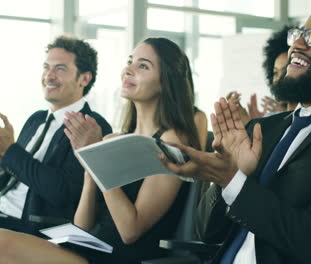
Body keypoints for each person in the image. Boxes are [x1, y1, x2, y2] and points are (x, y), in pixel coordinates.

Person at [162, 5, 311, 263]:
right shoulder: (264, 129)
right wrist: (227, 175)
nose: (297, 44)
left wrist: (233, 182)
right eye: (298, 34)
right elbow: (206, 232)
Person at [0, 37, 200, 263]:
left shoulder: (170, 140)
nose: (128, 70)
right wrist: (90, 162)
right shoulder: (114, 138)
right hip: (89, 245)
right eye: (130, 61)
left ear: (166, 81)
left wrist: (99, 160)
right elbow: (82, 225)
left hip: (121, 256)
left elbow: (130, 231)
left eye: (142, 66)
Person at [0, 36, 112, 234]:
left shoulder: (92, 126)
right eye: (46, 67)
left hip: (29, 227)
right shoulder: (36, 119)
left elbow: (63, 192)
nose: (49, 76)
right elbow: (14, 174)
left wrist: (10, 151)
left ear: (85, 78)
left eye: (60, 69)